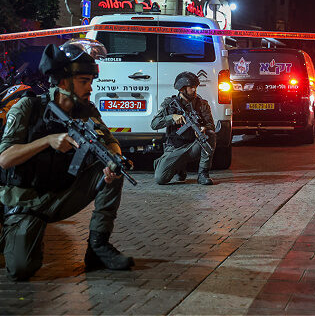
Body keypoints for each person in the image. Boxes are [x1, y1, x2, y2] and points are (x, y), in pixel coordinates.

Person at [0, 40, 134, 281]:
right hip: (26, 201)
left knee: (114, 172)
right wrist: (47, 141)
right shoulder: (28, 107)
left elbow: (109, 140)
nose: (90, 88)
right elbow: (4, 159)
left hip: (60, 196)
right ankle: (18, 234)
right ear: (63, 82)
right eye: (84, 82)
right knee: (21, 270)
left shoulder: (86, 110)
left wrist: (114, 160)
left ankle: (98, 248)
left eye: (91, 81)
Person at [151, 72, 216, 186]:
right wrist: (172, 118)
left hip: (193, 146)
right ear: (182, 89)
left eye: (195, 87)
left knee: (210, 135)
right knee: (160, 179)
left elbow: (211, 125)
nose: (194, 90)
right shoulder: (170, 104)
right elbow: (154, 124)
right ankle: (177, 167)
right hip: (175, 147)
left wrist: (204, 128)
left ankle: (203, 174)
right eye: (191, 87)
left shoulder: (202, 104)